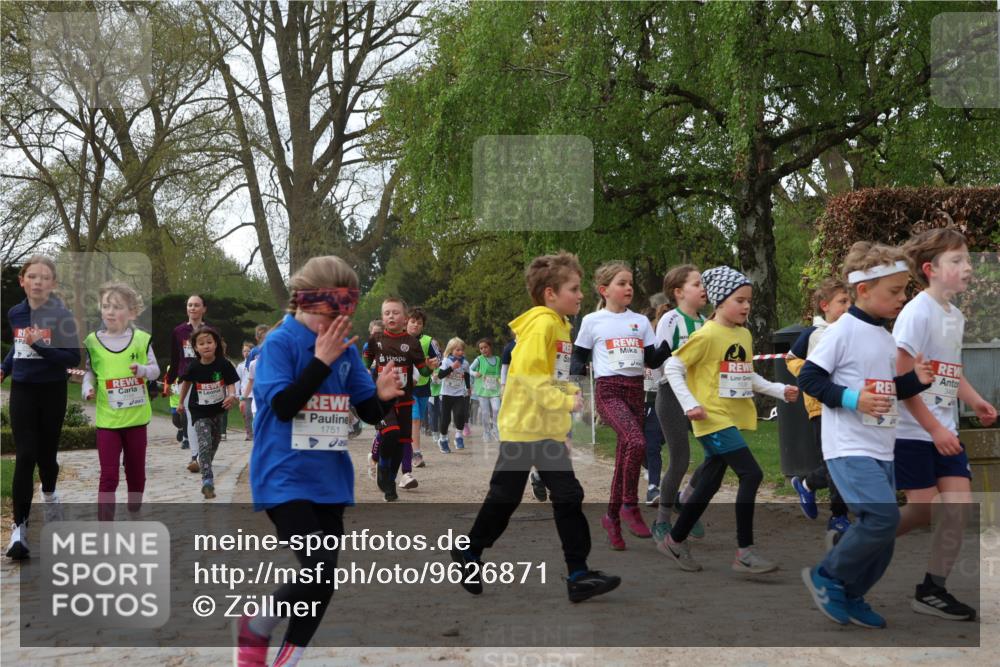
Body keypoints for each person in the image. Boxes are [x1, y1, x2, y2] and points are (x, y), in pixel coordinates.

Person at [237, 255, 402, 667]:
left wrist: (381, 397)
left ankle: (286, 660)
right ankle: (256, 626)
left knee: (324, 580)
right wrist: (320, 361)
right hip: (284, 476)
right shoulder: (280, 343)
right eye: (328, 315)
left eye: (344, 315)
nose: (335, 326)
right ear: (303, 303)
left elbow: (365, 412)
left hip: (328, 478)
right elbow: (284, 404)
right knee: (318, 566)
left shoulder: (343, 348)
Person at [451, 251, 621, 603]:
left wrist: (571, 392)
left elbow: (552, 377)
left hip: (546, 430)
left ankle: (578, 574)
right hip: (524, 428)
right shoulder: (542, 324)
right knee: (505, 497)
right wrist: (564, 400)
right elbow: (529, 378)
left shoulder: (560, 326)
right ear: (550, 293)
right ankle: (468, 551)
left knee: (569, 495)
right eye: (573, 289)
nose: (580, 295)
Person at [799, 242, 934, 628]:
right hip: (848, 447)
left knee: (885, 530)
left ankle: (851, 593)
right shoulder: (843, 331)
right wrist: (853, 399)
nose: (902, 298)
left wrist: (915, 382)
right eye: (894, 291)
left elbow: (889, 391)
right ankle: (827, 576)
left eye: (904, 290)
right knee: (881, 517)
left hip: (882, 448)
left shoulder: (884, 338)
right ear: (863, 290)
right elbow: (810, 378)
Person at [662, 266, 798, 573]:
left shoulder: (743, 334)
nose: (747, 306)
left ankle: (674, 539)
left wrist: (778, 390)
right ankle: (744, 552)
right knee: (752, 474)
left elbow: (745, 374)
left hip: (729, 417)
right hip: (711, 417)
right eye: (740, 300)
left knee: (709, 482)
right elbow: (673, 367)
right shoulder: (707, 334)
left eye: (749, 300)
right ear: (720, 301)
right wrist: (690, 404)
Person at [893, 228, 996, 621]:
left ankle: (932, 590)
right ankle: (859, 543)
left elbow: (949, 372)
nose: (968, 267)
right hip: (913, 433)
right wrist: (933, 429)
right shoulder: (916, 313)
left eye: (968, 259)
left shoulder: (956, 315)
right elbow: (903, 381)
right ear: (930, 269)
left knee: (956, 509)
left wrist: (974, 400)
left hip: (945, 430)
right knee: (922, 512)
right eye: (957, 260)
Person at [570, 261, 668, 549]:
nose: (629, 288)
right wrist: (577, 383)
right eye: (622, 283)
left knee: (627, 453)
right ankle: (629, 505)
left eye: (630, 283)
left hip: (635, 391)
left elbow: (652, 360)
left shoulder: (638, 321)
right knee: (636, 442)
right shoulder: (591, 321)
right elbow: (578, 356)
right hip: (608, 390)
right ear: (605, 290)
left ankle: (611, 518)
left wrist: (674, 345)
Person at [2, 255, 81, 560]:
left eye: (44, 277)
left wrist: (41, 346)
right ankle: (18, 529)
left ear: (53, 284)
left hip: (52, 391)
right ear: (22, 281)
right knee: (24, 455)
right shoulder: (16, 313)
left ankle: (50, 494)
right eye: (31, 276)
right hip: (22, 389)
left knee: (47, 458)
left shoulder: (62, 316)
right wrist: (5, 367)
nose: (37, 282)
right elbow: (18, 345)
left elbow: (72, 358)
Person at [82, 283, 158, 521]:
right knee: (109, 475)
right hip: (108, 420)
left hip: (136, 419)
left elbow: (155, 371)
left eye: (117, 307)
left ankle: (134, 506)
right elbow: (89, 372)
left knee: (136, 473)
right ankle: (105, 525)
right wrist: (87, 388)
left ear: (132, 312)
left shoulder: (141, 340)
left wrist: (143, 370)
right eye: (106, 306)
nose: (110, 312)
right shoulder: (92, 341)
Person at [787, 279, 852, 546]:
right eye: (842, 302)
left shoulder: (852, 330)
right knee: (836, 462)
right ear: (825, 306)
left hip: (846, 403)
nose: (848, 307)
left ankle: (806, 485)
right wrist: (811, 376)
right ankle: (838, 516)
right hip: (820, 407)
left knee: (844, 461)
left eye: (850, 301)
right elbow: (790, 358)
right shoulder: (814, 333)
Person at [651, 264, 709, 544]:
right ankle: (661, 520)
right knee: (680, 459)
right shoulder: (670, 320)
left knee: (715, 456)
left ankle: (684, 501)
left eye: (702, 284)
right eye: (697, 284)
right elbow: (660, 361)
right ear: (678, 292)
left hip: (702, 397)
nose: (703, 288)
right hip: (672, 396)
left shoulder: (707, 321)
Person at [364, 298, 439, 501]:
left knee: (402, 441)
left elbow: (422, 369)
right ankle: (384, 468)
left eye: (395, 313)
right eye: (387, 313)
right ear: (382, 317)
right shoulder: (376, 340)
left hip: (405, 398)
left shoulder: (411, 343)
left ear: (404, 318)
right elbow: (366, 359)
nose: (391, 316)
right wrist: (367, 377)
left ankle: (390, 482)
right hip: (383, 400)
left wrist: (429, 366)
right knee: (391, 432)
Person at [177, 326, 239, 499]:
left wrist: (231, 395)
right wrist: (181, 403)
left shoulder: (223, 364)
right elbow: (186, 384)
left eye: (209, 342)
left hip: (218, 411)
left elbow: (231, 383)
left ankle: (202, 462)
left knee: (214, 442)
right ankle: (207, 481)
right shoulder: (194, 366)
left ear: (216, 344)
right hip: (199, 411)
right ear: (195, 348)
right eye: (201, 343)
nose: (206, 346)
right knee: (204, 444)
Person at [163, 294, 209, 473]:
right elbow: (175, 359)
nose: (193, 308)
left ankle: (206, 452)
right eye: (190, 305)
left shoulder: (211, 329)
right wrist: (169, 380)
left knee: (205, 418)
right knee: (190, 416)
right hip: (186, 379)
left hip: (206, 380)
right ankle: (195, 455)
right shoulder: (179, 331)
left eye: (197, 305)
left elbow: (219, 356)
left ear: (203, 309)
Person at [406, 308, 439, 470]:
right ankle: (416, 453)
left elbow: (437, 359)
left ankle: (408, 447)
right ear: (406, 321)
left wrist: (432, 364)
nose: (415, 325)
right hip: (406, 387)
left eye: (419, 323)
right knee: (415, 418)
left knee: (416, 422)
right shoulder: (399, 339)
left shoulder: (428, 341)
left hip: (423, 386)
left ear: (423, 326)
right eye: (412, 321)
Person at [436, 337, 472, 452]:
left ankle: (458, 437)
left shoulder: (465, 363)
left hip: (459, 394)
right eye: (457, 350)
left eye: (462, 350)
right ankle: (443, 440)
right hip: (446, 394)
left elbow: (466, 375)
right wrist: (451, 368)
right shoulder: (446, 361)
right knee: (445, 419)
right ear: (451, 350)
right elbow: (440, 375)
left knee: (460, 415)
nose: (460, 352)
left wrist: (468, 387)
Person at [471, 338, 502, 442]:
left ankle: (495, 430)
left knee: (496, 409)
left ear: (490, 347)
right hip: (482, 390)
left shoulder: (497, 359)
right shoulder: (479, 359)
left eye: (485, 347)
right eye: (481, 348)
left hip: (495, 389)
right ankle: (486, 432)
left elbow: (499, 372)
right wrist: (475, 373)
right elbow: (469, 369)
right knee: (485, 413)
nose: (483, 350)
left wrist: (501, 381)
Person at [236, 341, 255, 440]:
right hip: (245, 394)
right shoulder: (241, 366)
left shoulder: (256, 363)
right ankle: (249, 433)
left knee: (255, 413)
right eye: (244, 351)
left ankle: (257, 432)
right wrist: (237, 394)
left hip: (255, 394)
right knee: (247, 414)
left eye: (248, 351)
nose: (246, 353)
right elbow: (237, 380)